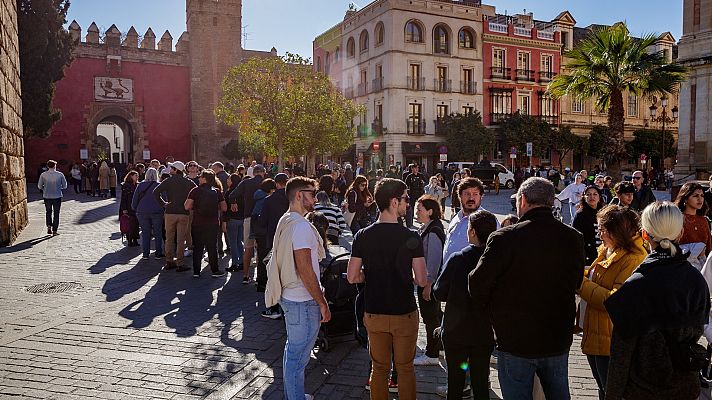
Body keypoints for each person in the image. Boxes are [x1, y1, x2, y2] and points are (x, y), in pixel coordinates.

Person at [469, 177, 585, 399]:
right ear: (551, 202)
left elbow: (477, 284)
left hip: (515, 339)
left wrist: (495, 314)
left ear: (522, 200)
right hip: (556, 336)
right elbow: (576, 281)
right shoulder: (572, 237)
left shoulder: (504, 238)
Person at [604, 202, 710, 400]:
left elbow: (621, 354)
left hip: (643, 389)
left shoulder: (635, 285)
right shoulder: (696, 280)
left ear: (644, 235)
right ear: (680, 233)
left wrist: (612, 396)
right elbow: (698, 330)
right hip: (686, 386)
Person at [347, 178, 428, 400]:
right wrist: (406, 276)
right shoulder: (411, 236)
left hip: (374, 311)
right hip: (403, 311)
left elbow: (352, 276)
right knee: (405, 369)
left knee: (379, 368)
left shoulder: (363, 235)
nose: (408, 204)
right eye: (405, 199)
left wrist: (370, 276)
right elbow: (421, 279)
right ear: (394, 202)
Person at [264, 177, 330, 400]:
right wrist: (322, 302)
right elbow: (305, 268)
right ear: (299, 195)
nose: (315, 198)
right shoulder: (301, 226)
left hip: (291, 297)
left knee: (293, 353)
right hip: (302, 300)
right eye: (312, 193)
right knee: (297, 356)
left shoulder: (288, 219)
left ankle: (295, 394)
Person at [577, 205, 647, 399]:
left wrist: (578, 282)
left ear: (618, 231)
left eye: (602, 229)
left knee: (612, 393)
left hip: (611, 339)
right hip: (596, 334)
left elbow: (614, 300)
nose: (599, 233)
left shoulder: (633, 258)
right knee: (603, 390)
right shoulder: (608, 249)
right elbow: (595, 277)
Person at [433, 210, 498, 400]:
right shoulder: (497, 261)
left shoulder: (458, 259)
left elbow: (438, 292)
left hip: (456, 331)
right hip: (483, 331)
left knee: (455, 382)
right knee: (480, 382)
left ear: (472, 232)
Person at [412, 195, 446, 367]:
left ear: (430, 211)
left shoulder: (433, 232)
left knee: (430, 318)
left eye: (420, 209)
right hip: (427, 281)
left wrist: (428, 284)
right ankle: (438, 346)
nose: (416, 212)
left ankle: (432, 354)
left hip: (429, 283)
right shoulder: (429, 227)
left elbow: (433, 260)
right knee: (435, 316)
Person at [152, 161, 196, 272]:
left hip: (170, 212)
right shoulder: (188, 182)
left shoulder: (168, 181)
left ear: (176, 170)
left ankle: (169, 261)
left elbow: (155, 192)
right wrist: (191, 205)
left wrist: (163, 203)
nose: (170, 169)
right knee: (181, 239)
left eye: (172, 168)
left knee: (169, 238)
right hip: (183, 213)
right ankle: (180, 263)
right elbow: (197, 193)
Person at [256, 173, 289, 318]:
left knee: (274, 274)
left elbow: (262, 222)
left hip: (274, 240)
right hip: (290, 239)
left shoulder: (269, 200)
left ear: (276, 184)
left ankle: (274, 307)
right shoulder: (293, 198)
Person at [184, 169, 227, 278]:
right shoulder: (217, 191)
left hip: (198, 222)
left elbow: (187, 206)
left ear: (205, 179)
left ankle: (196, 271)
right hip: (212, 223)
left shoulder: (195, 191)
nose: (198, 178)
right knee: (212, 247)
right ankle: (215, 270)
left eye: (200, 176)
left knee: (198, 247)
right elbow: (224, 207)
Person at [443, 177, 495, 265]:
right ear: (460, 196)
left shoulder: (488, 220)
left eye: (475, 194)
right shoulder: (456, 218)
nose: (471, 198)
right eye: (467, 194)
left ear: (481, 196)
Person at [229, 164, 265, 283]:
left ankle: (246, 275)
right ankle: (261, 276)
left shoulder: (246, 183)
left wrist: (234, 203)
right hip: (264, 218)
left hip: (249, 217)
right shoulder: (268, 183)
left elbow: (232, 195)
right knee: (262, 248)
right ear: (263, 173)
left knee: (248, 248)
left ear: (253, 173)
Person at [132, 168, 164, 259]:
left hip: (142, 211)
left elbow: (135, 199)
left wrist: (135, 208)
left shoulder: (141, 185)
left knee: (146, 233)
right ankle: (158, 253)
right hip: (157, 211)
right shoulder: (160, 185)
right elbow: (164, 199)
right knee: (158, 232)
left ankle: (145, 254)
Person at [249, 178, 277, 284]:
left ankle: (260, 280)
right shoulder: (266, 199)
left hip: (258, 231)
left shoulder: (258, 196)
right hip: (264, 231)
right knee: (265, 255)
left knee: (261, 255)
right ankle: (263, 280)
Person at [676, 182, 712, 257]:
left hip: (702, 265)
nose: (700, 199)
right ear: (685, 199)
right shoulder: (677, 219)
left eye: (702, 196)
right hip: (683, 264)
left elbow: (709, 247)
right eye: (695, 196)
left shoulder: (703, 220)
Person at [573, 185, 605, 265]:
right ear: (584, 197)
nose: (592, 197)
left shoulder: (604, 213)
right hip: (588, 256)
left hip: (603, 254)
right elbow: (576, 238)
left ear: (599, 197)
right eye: (589, 194)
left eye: (595, 194)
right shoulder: (580, 215)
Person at [37, 159, 68, 235]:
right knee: (56, 213)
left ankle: (49, 226)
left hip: (47, 196)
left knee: (48, 212)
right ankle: (55, 230)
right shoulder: (60, 174)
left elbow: (39, 186)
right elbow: (65, 186)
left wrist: (45, 187)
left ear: (48, 166)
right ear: (55, 166)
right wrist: (58, 186)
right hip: (57, 196)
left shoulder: (43, 175)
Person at [224, 173, 244, 272]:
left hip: (232, 219)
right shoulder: (242, 192)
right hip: (241, 219)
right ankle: (242, 261)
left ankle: (235, 263)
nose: (227, 181)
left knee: (233, 242)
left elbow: (225, 209)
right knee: (239, 241)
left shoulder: (229, 193)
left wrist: (224, 221)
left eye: (229, 179)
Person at [119, 171, 140, 247]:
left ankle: (135, 240)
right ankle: (129, 240)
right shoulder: (126, 185)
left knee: (136, 225)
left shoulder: (138, 185)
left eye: (137, 176)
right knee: (130, 224)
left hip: (136, 208)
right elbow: (123, 198)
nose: (137, 177)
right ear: (131, 176)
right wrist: (124, 209)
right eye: (135, 176)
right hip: (128, 207)